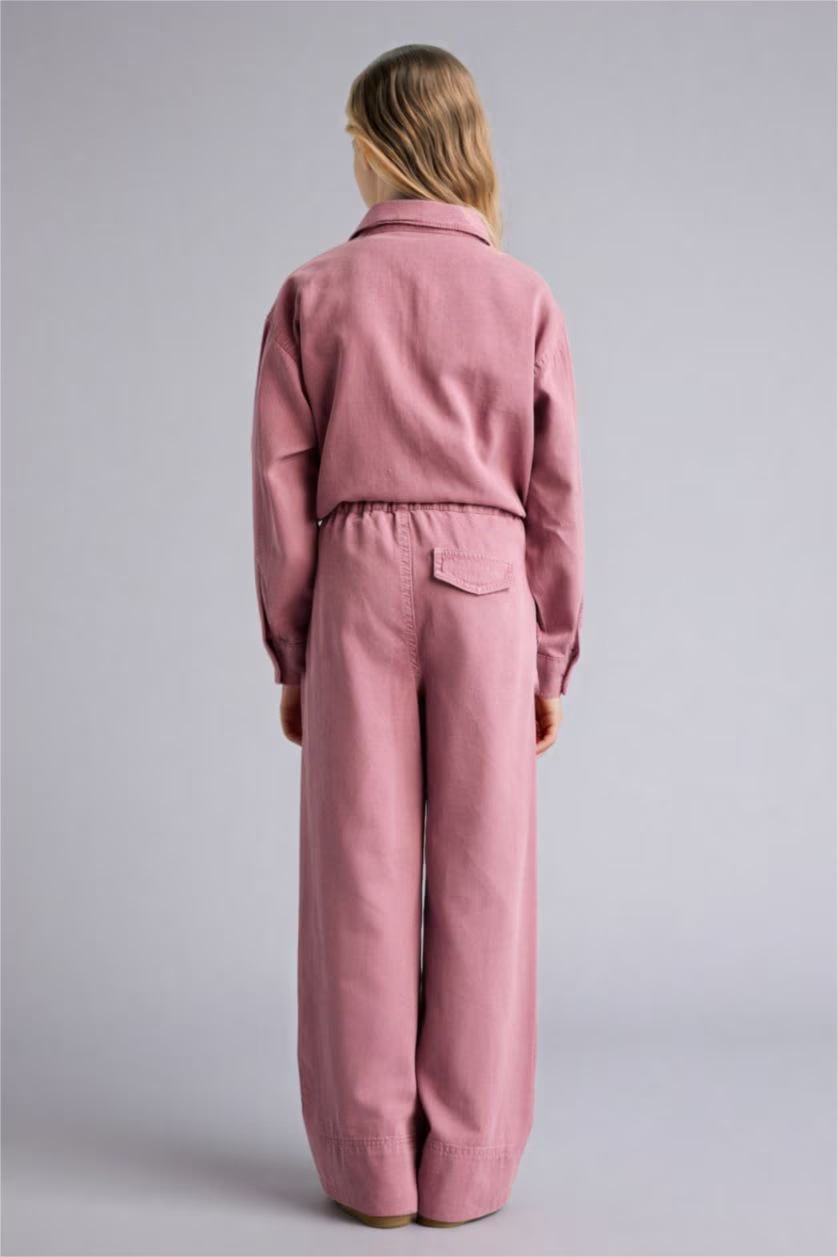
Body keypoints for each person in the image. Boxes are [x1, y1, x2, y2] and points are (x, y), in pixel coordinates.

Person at [250, 43, 584, 1230]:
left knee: (361, 870)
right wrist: (548, 654)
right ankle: (465, 1174)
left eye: (353, 137)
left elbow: (282, 485)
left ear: (379, 144)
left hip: (356, 580)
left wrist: (294, 649)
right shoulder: (523, 295)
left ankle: (369, 1171)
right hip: (489, 584)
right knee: (486, 873)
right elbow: (554, 497)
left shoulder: (313, 292)